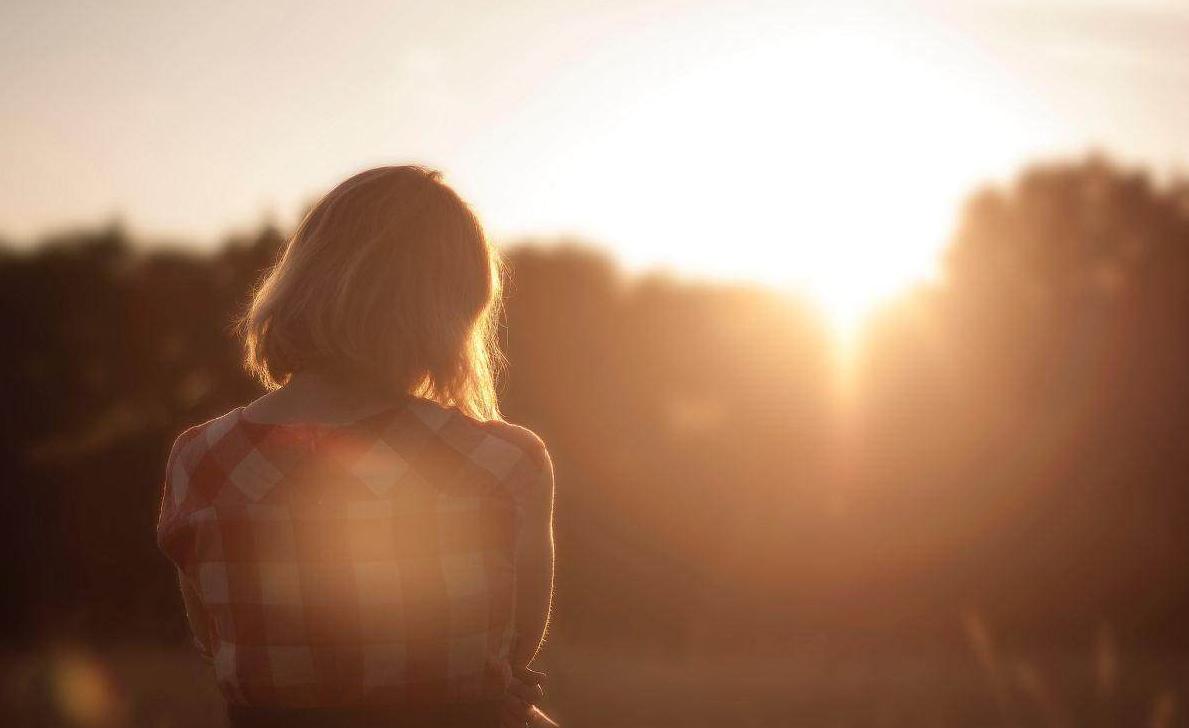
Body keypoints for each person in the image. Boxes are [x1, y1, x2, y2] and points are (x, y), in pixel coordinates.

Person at [156, 166, 557, 728]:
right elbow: (514, 652)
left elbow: (216, 643)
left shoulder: (200, 460)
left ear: (302, 279)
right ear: (454, 309)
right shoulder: (504, 461)